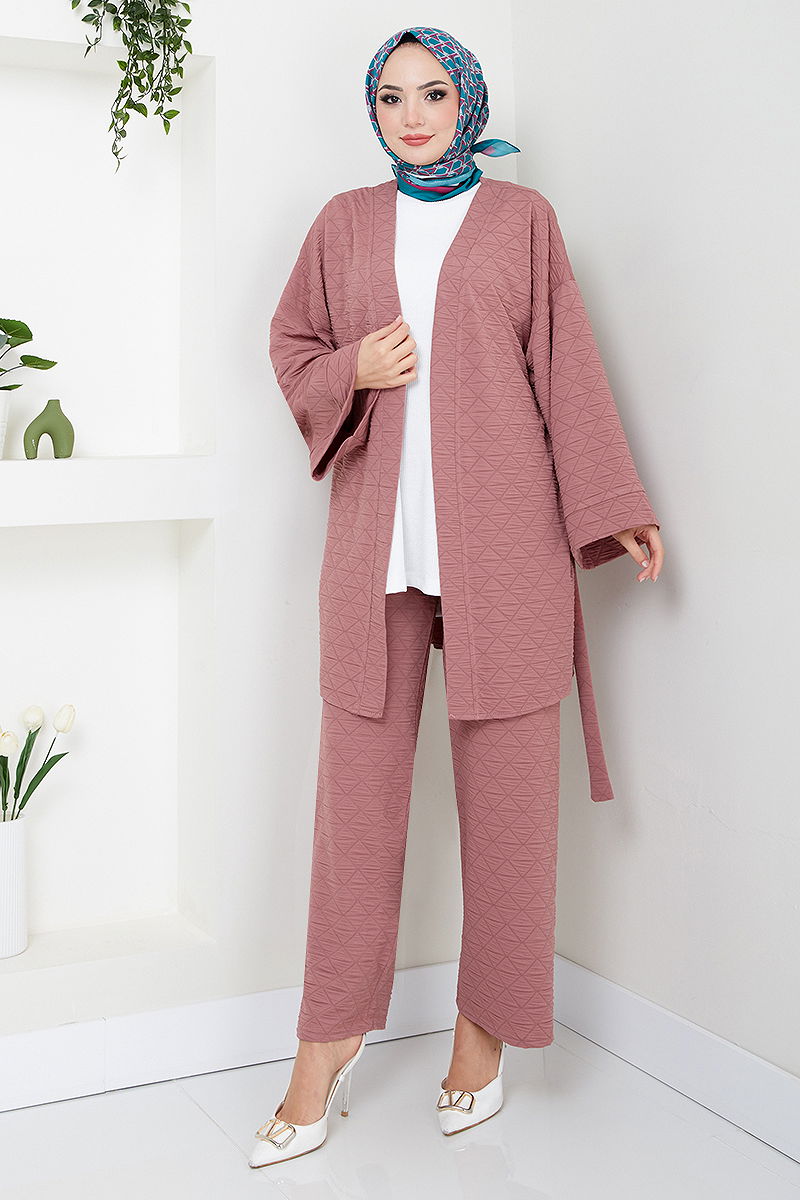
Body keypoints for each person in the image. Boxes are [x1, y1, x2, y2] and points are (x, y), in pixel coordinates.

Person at [250, 25, 664, 1167]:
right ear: (372, 111)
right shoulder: (342, 223)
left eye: (433, 93)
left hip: (507, 552)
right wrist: (352, 369)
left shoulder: (523, 222)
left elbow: (566, 370)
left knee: (511, 811)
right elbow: (290, 344)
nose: (412, 115)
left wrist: (613, 504)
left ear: (467, 100)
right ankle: (325, 1042)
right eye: (390, 97)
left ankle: (482, 1033)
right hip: (372, 559)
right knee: (353, 814)